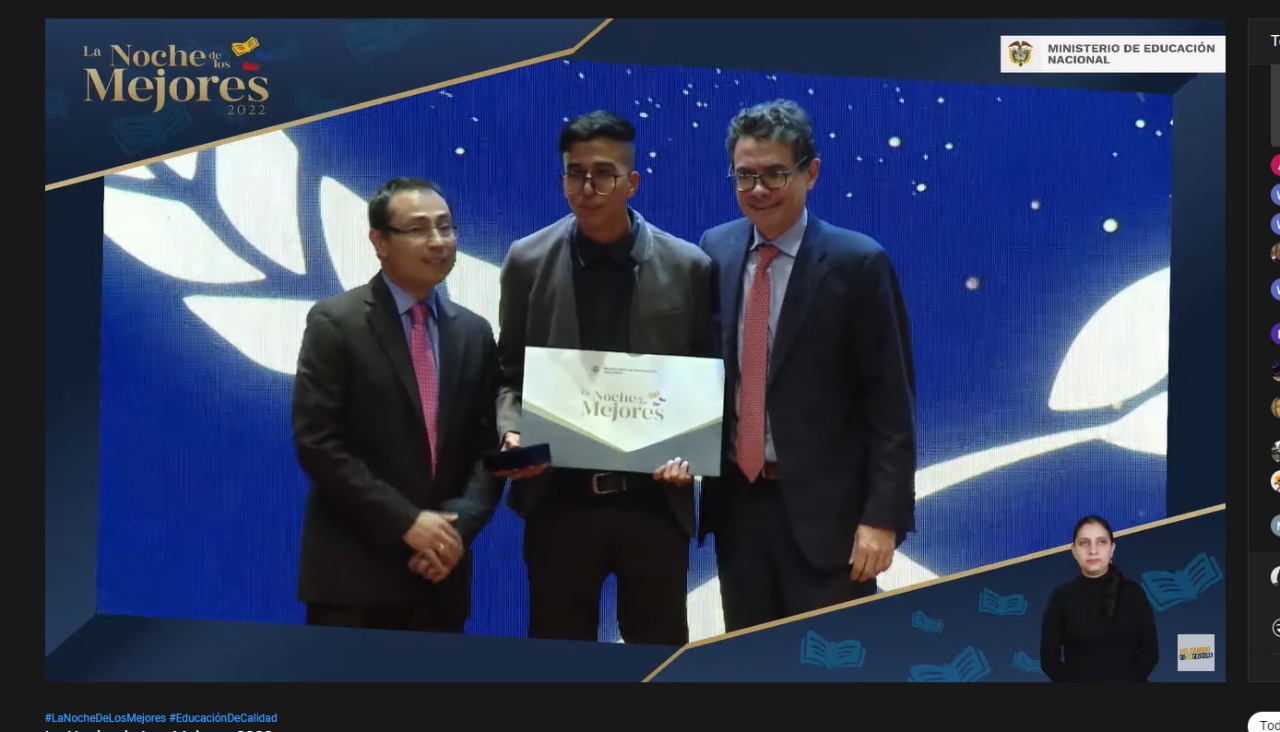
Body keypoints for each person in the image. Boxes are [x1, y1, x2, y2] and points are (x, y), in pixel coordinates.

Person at [494, 110, 717, 646]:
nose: (588, 188)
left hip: (654, 504)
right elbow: (507, 374)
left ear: (632, 182)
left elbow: (708, 380)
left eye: (604, 174)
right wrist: (511, 430)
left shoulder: (689, 266)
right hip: (559, 503)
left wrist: (692, 453)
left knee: (658, 658)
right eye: (575, 174)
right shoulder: (527, 260)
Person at [697, 99, 918, 631]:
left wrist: (883, 520)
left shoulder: (858, 262)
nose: (759, 189)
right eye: (745, 175)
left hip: (832, 523)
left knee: (829, 662)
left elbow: (891, 404)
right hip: (738, 511)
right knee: (750, 661)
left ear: (810, 172)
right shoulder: (715, 249)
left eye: (775, 173)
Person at [292, 177, 504, 633]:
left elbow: (488, 451)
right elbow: (318, 443)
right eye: (419, 229)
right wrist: (407, 523)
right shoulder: (336, 323)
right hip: (353, 578)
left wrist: (456, 530)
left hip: (439, 576)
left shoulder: (474, 333)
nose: (438, 241)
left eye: (445, 227)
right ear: (379, 242)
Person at [1040, 515, 1159, 682]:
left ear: (1112, 548)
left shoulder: (1134, 593)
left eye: (1101, 542)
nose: (1093, 550)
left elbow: (1150, 653)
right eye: (1084, 543)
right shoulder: (1061, 597)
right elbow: (1049, 661)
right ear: (1073, 551)